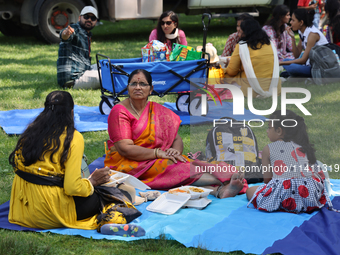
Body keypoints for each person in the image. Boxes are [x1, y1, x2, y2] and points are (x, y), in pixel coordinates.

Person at [103, 69, 248, 198]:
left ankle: (218, 190)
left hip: (159, 158)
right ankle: (223, 179)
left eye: (143, 84)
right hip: (128, 163)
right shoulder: (120, 111)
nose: (138, 87)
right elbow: (125, 148)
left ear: (151, 89)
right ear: (127, 88)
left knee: (186, 162)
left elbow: (176, 138)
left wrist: (175, 151)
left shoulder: (157, 110)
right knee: (173, 166)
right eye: (133, 84)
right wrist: (158, 153)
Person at [8, 91, 140, 229]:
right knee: (116, 194)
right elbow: (72, 187)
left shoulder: (29, 132)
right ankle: (110, 219)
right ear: (71, 113)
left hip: (22, 209)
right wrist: (92, 181)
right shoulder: (72, 137)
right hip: (50, 212)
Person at [246, 110, 338, 213]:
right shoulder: (303, 146)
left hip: (286, 197)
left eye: (269, 127)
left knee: (250, 191)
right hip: (311, 197)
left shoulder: (268, 149)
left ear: (279, 131)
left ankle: (283, 204)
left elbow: (267, 181)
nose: (267, 131)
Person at [224, 19, 281, 98]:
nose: (238, 33)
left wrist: (225, 67)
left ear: (246, 32)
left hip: (251, 91)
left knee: (224, 75)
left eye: (240, 31)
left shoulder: (241, 46)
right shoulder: (270, 44)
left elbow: (231, 72)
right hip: (275, 89)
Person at [57, 6, 100, 89]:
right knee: (108, 75)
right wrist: (66, 34)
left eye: (93, 18)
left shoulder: (86, 34)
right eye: (86, 17)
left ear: (96, 21)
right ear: (79, 18)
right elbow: (65, 36)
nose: (89, 20)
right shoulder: (75, 29)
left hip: (82, 71)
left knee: (107, 66)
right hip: (73, 79)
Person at [280, 8, 328, 77]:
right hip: (310, 65)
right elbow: (297, 55)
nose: (290, 22)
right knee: (285, 61)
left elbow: (303, 60)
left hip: (319, 68)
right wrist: (293, 38)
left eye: (293, 20)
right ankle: (294, 75)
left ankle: (294, 75)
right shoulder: (302, 32)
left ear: (301, 22)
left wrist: (280, 63)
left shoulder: (312, 34)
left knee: (291, 67)